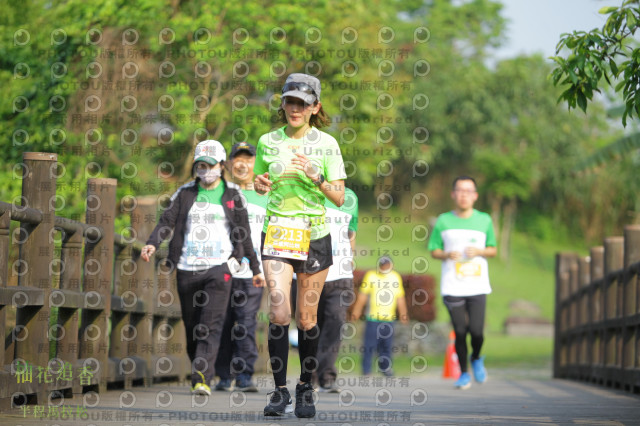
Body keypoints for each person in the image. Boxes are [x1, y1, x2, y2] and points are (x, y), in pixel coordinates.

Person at [254, 73, 346, 418]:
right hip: (278, 232)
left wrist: (316, 176)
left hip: (314, 236)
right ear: (282, 104)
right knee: (279, 311)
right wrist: (260, 184)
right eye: (290, 102)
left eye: (302, 104)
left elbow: (339, 197)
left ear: (315, 107)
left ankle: (305, 387)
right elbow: (260, 183)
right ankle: (279, 391)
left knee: (307, 319)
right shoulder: (267, 141)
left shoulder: (327, 144)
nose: (295, 109)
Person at [140, 140, 265, 396]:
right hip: (187, 268)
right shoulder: (185, 193)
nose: (205, 171)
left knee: (212, 325)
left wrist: (255, 269)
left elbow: (243, 235)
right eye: (201, 166)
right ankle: (201, 370)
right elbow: (167, 221)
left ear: (221, 166)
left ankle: (201, 379)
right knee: (193, 326)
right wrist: (152, 243)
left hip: (220, 269)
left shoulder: (232, 195)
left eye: (210, 165)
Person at [428, 175, 497, 389]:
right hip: (452, 285)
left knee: (476, 331)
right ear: (453, 194)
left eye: (468, 191)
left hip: (477, 285)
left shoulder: (484, 220)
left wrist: (480, 251)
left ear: (475, 196)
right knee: (459, 331)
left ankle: (476, 358)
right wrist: (446, 255)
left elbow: (493, 249)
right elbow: (434, 250)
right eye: (460, 190)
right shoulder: (443, 221)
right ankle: (464, 373)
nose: (464, 195)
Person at [290, 187, 359, 393]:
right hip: (307, 273)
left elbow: (351, 231)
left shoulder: (350, 196)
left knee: (336, 320)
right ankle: (308, 376)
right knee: (308, 325)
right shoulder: (299, 191)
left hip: (340, 274)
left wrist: (350, 257)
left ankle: (326, 375)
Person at [214, 142, 267, 393]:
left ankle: (245, 375)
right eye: (238, 159)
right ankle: (224, 375)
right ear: (229, 164)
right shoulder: (221, 193)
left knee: (246, 322)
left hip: (253, 272)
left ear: (255, 163)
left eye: (248, 159)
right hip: (222, 270)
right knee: (222, 322)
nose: (243, 164)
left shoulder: (266, 195)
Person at [349, 256, 409, 376]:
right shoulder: (371, 276)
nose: (384, 268)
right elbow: (363, 295)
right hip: (373, 317)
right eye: (382, 265)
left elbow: (400, 297)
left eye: (386, 265)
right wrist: (356, 311)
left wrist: (403, 314)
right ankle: (366, 370)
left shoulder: (395, 277)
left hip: (389, 318)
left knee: (386, 345)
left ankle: (385, 368)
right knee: (369, 345)